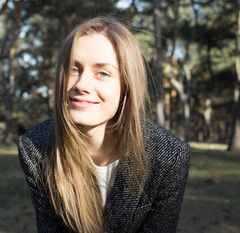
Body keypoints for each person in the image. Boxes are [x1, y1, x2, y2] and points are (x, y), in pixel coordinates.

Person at [18, 16, 190, 233]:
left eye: (102, 73)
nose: (81, 85)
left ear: (126, 86)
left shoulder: (168, 157)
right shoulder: (35, 147)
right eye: (73, 69)